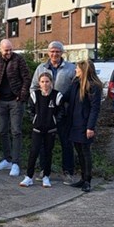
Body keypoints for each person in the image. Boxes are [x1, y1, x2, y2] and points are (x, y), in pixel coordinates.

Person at [30, 41, 77, 184]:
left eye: (57, 51)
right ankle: (44, 170)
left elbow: (75, 90)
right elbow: (33, 87)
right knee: (44, 144)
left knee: (66, 143)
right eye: (52, 51)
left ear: (62, 53)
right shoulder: (41, 68)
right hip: (45, 115)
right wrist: (37, 108)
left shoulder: (71, 68)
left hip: (63, 113)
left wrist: (65, 105)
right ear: (48, 53)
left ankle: (67, 172)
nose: (54, 54)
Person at [0, 39, 31, 177]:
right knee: (2, 131)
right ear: (0, 49)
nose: (9, 52)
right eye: (6, 50)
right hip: (0, 101)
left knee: (16, 131)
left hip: (15, 100)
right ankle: (7, 159)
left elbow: (26, 78)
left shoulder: (19, 59)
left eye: (10, 49)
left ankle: (16, 163)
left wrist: (22, 95)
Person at [19, 72, 63, 188]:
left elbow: (61, 111)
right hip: (37, 130)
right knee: (33, 152)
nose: (45, 84)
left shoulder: (57, 96)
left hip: (50, 130)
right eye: (42, 82)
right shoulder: (34, 95)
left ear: (51, 82)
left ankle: (46, 176)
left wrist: (54, 121)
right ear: (39, 83)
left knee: (48, 153)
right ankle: (29, 177)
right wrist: (35, 120)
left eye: (47, 81)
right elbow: (29, 110)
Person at [64, 60, 102, 193]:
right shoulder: (75, 83)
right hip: (74, 123)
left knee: (85, 152)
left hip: (84, 124)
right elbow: (66, 97)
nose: (75, 70)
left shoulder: (93, 86)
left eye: (77, 69)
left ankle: (87, 181)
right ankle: (82, 178)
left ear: (84, 70)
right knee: (79, 151)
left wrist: (90, 127)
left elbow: (95, 108)